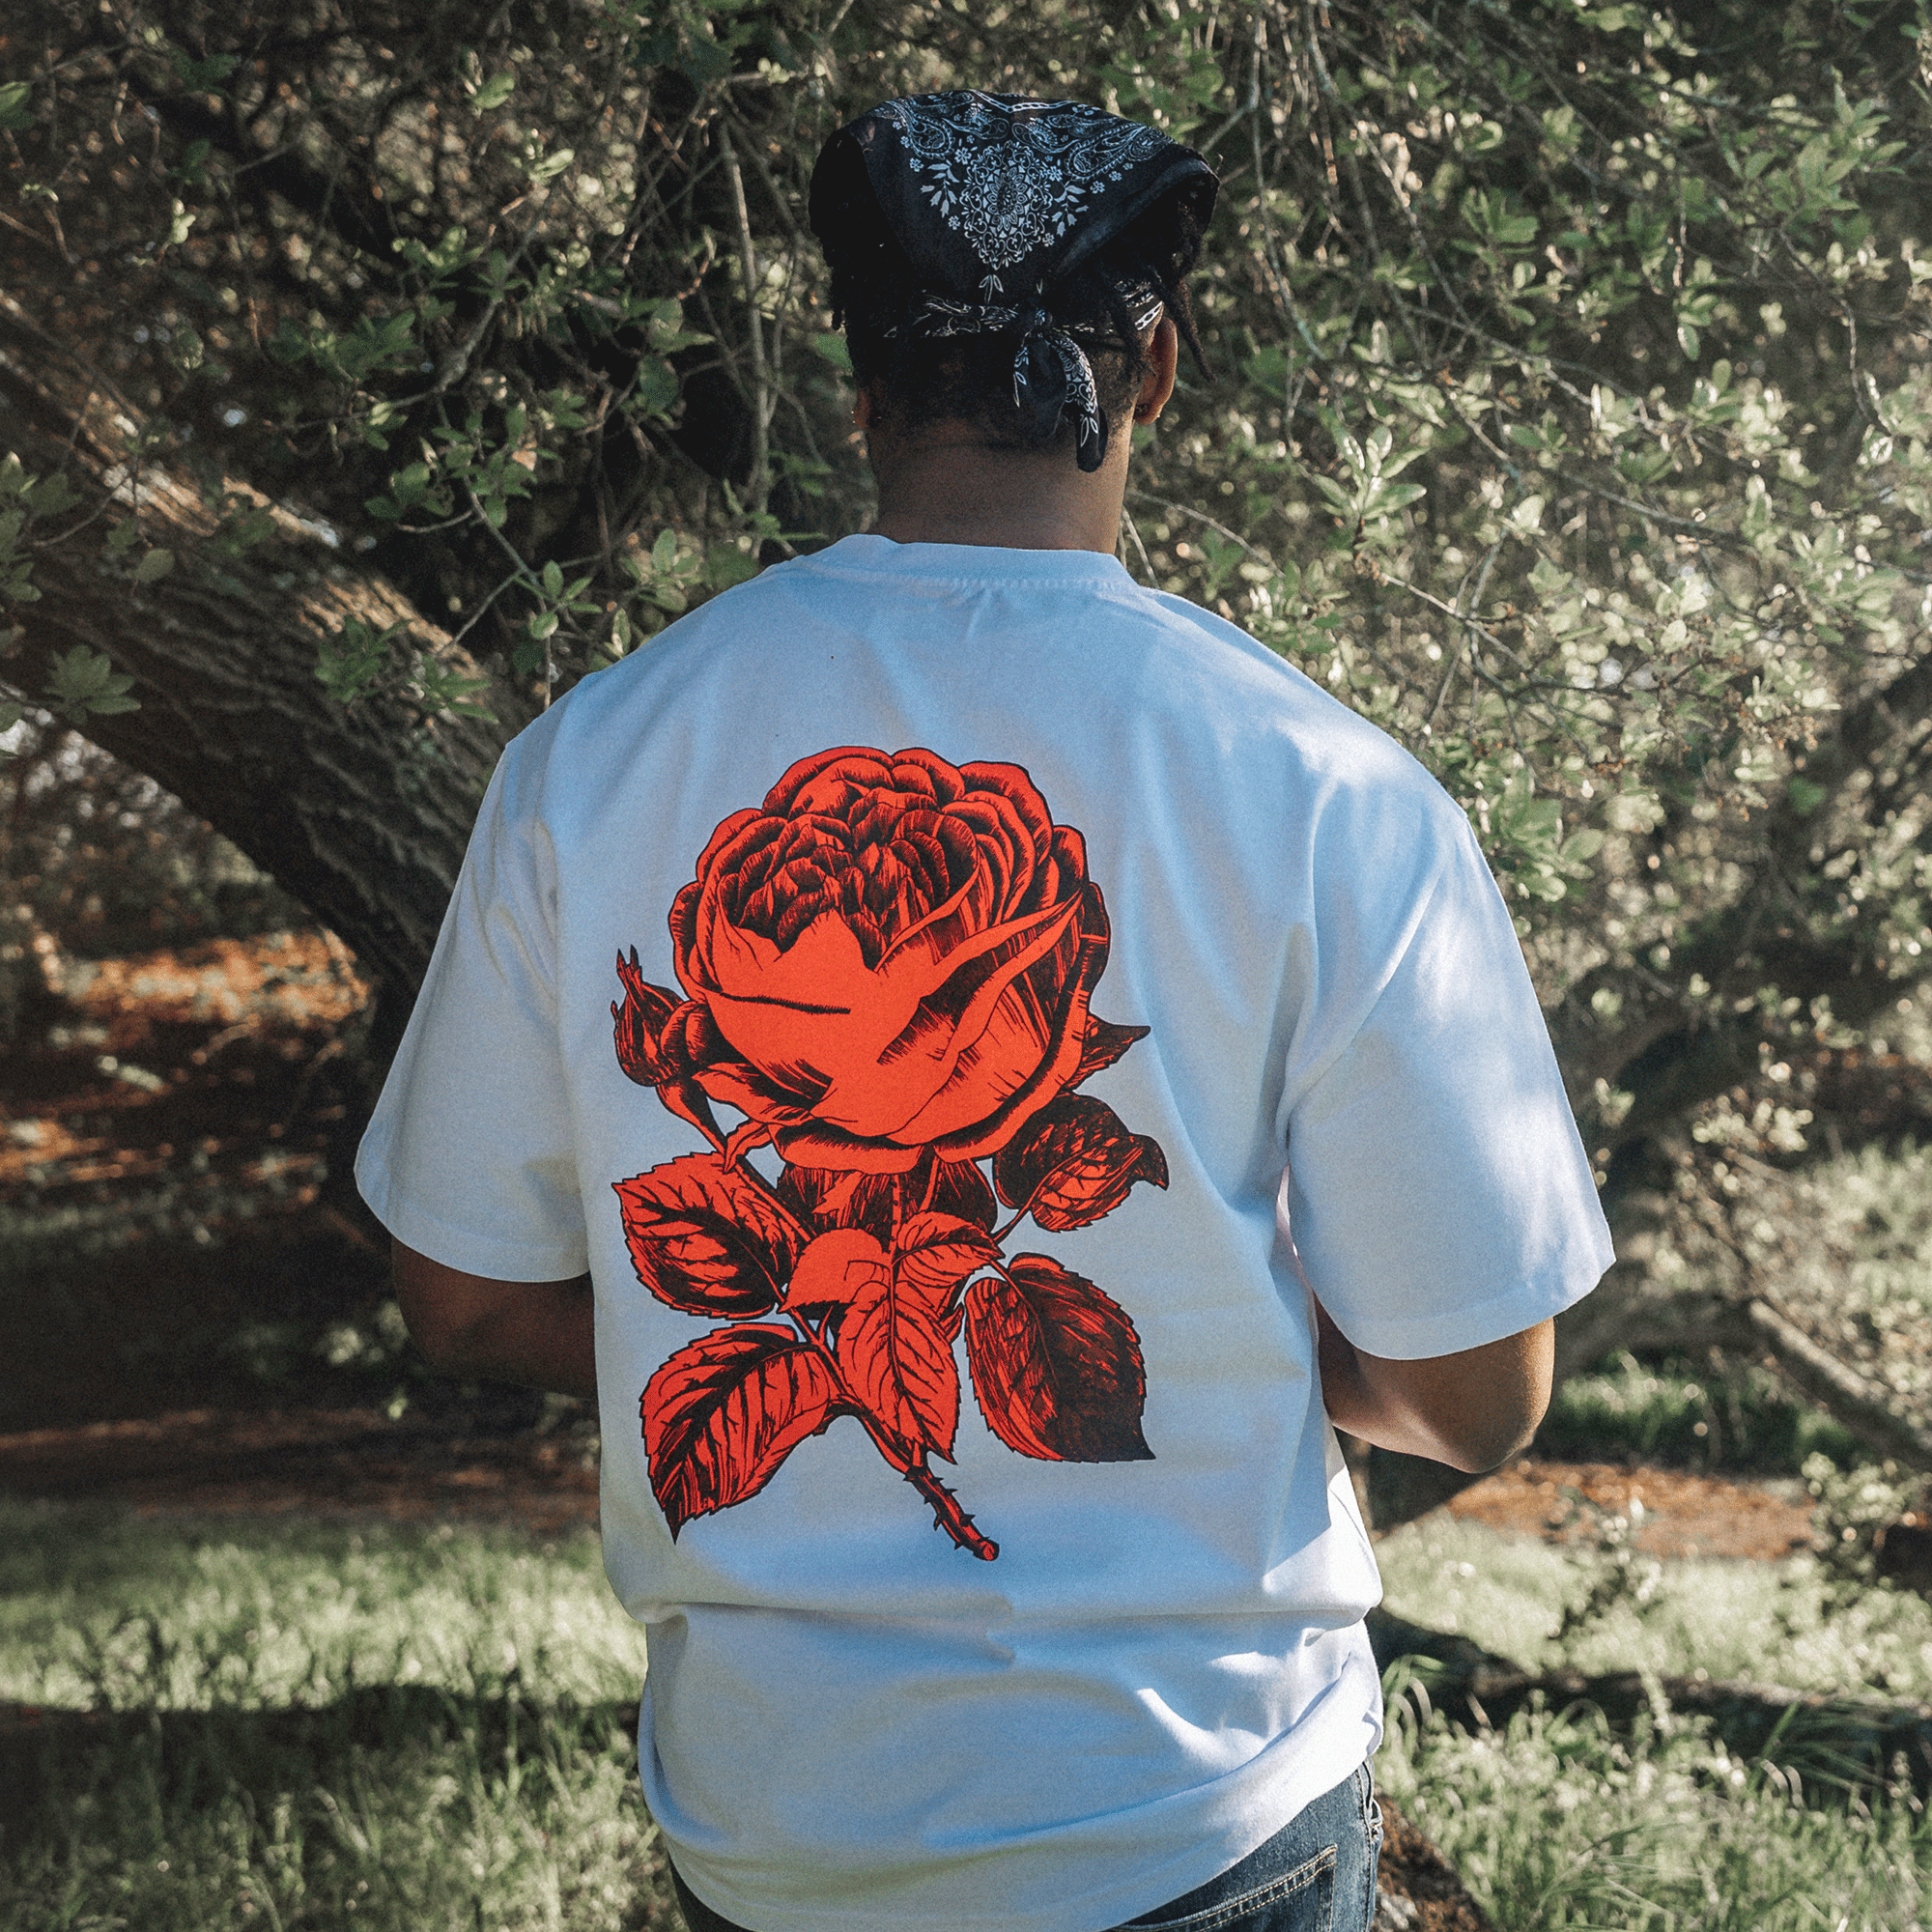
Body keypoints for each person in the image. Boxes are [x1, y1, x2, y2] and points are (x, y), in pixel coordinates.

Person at [355, 90, 1613, 1932]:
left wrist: (825, 1338)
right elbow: (1477, 1391)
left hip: (774, 1827)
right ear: (1155, 371)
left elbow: (464, 1295)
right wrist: (1208, 1352)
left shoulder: (600, 758)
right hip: (1198, 1811)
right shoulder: (1330, 791)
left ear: (859, 380)